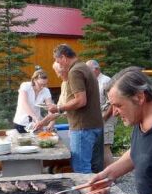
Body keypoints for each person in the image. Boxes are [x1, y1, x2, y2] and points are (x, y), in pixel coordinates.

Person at [37, 44, 104, 173]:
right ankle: (98, 192)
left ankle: (87, 192)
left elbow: (80, 100)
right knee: (96, 168)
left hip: (82, 127)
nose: (59, 66)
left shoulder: (74, 71)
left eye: (58, 62)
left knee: (81, 169)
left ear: (63, 57)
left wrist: (59, 108)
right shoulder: (85, 67)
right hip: (96, 125)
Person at [87, 59, 117, 167]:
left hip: (107, 118)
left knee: (105, 147)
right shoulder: (93, 81)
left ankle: (111, 177)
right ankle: (104, 174)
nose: (87, 73)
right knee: (98, 147)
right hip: (98, 119)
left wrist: (104, 119)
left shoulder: (106, 81)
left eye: (88, 70)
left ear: (96, 69)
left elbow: (112, 103)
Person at [12, 69, 54, 133]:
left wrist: (51, 123)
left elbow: (51, 108)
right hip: (21, 123)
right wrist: (35, 118)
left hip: (36, 125)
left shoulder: (46, 91)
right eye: (40, 84)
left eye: (45, 84)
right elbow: (24, 104)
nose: (43, 87)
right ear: (34, 80)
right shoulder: (25, 86)